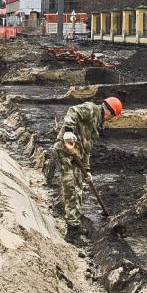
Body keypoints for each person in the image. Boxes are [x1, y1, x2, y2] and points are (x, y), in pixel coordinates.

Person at [53, 97, 124, 244]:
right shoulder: (91, 109)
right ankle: (71, 233)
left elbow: (86, 150)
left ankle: (76, 223)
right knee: (71, 188)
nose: (110, 120)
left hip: (76, 156)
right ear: (109, 112)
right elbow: (73, 111)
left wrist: (87, 169)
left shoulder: (96, 126)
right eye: (112, 117)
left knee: (79, 188)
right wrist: (68, 131)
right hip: (64, 152)